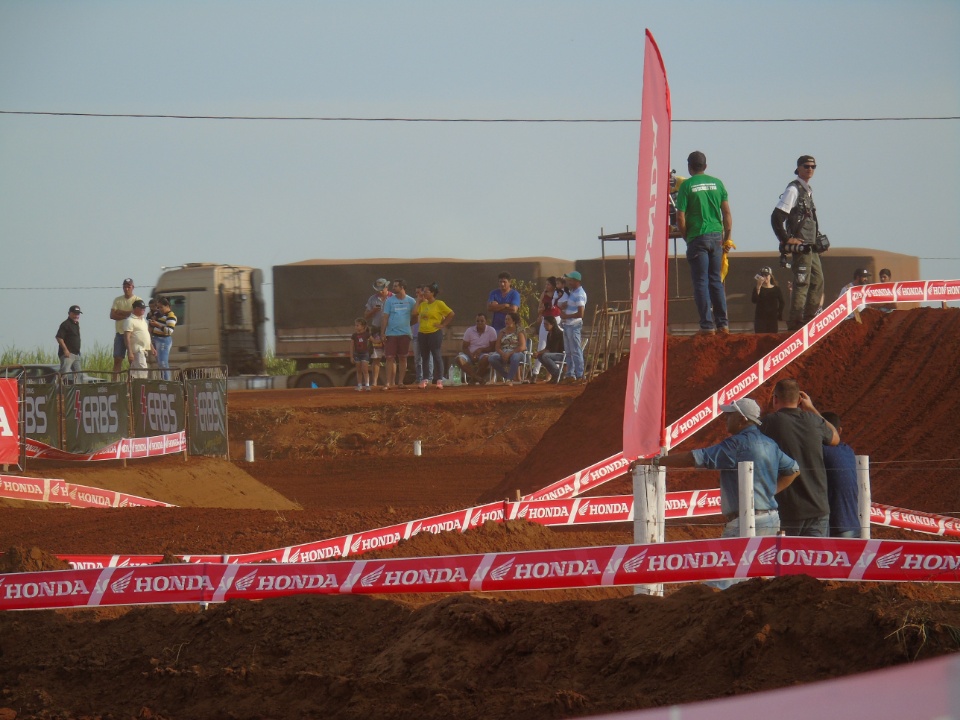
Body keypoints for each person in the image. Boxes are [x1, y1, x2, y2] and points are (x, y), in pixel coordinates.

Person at [637, 398, 799, 541]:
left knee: (727, 573)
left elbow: (693, 458)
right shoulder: (770, 443)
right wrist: (770, 491)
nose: (725, 418)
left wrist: (654, 461)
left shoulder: (735, 444)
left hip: (744, 521)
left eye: (730, 414)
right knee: (763, 571)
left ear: (742, 419)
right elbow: (794, 470)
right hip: (771, 517)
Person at [760, 378, 839, 537]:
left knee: (787, 560)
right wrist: (811, 408)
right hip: (818, 507)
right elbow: (835, 438)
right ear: (799, 400)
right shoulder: (814, 420)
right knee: (815, 560)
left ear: (775, 398)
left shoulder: (768, 422)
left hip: (788, 509)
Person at [674, 151, 733, 335]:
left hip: (697, 237)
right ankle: (723, 325)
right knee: (716, 280)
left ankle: (707, 326)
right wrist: (727, 237)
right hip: (717, 236)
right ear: (705, 166)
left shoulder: (686, 186)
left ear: (690, 167)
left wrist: (686, 236)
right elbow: (727, 214)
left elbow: (680, 216)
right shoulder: (718, 184)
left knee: (701, 281)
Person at [771, 155, 827, 332]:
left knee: (818, 281)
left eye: (813, 166)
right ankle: (795, 323)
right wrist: (786, 239)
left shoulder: (808, 190)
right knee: (802, 283)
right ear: (799, 168)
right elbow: (776, 217)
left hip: (811, 247)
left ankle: (810, 319)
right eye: (806, 166)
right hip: (801, 246)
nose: (810, 169)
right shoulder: (794, 190)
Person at [821, 411, 860, 538]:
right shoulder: (848, 450)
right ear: (840, 430)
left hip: (837, 525)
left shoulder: (824, 452)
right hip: (852, 523)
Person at [412, 282, 454, 389]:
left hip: (434, 332)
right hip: (422, 333)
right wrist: (418, 300)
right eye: (423, 291)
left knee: (436, 355)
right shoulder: (423, 304)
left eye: (426, 291)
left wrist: (443, 324)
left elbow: (451, 313)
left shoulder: (439, 303)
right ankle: (425, 379)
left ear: (432, 293)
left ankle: (439, 379)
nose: (424, 293)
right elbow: (415, 313)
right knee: (424, 356)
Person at [381, 279, 418, 390]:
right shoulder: (389, 301)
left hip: (405, 334)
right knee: (389, 358)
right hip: (391, 333)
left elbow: (416, 315)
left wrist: (408, 325)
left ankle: (400, 382)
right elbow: (385, 317)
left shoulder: (411, 301)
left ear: (402, 287)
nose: (393, 288)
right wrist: (382, 332)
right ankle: (388, 383)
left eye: (396, 286)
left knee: (403, 358)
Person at [558, 270, 587, 383]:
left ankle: (580, 375)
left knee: (575, 351)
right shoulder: (573, 292)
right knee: (569, 351)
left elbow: (581, 314)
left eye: (570, 280)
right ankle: (570, 375)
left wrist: (566, 315)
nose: (568, 282)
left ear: (576, 281)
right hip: (568, 324)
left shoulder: (579, 294)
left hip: (574, 324)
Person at [110, 278, 142, 376]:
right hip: (120, 333)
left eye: (128, 286)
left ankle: (132, 382)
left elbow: (138, 314)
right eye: (125, 286)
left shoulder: (137, 300)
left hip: (132, 334)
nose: (126, 289)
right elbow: (112, 315)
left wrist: (120, 312)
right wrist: (128, 315)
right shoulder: (117, 300)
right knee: (117, 359)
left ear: (133, 287)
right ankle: (115, 384)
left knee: (132, 359)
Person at [455, 313, 498, 384]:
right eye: (477, 321)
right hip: (470, 353)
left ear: (486, 322)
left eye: (482, 321)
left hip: (484, 353)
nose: (479, 323)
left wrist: (481, 349)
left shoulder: (491, 331)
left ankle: (473, 380)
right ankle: (476, 377)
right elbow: (464, 347)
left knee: (486, 358)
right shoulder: (469, 331)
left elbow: (493, 348)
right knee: (459, 359)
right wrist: (471, 355)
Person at [532, 276, 561, 379]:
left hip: (556, 319)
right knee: (542, 344)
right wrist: (542, 310)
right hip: (546, 319)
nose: (546, 286)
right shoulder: (544, 294)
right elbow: (539, 309)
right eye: (546, 284)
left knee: (556, 345)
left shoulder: (558, 294)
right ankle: (535, 373)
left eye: (548, 284)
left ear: (553, 286)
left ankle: (554, 373)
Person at [364, 278, 391, 387]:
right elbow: (365, 315)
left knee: (391, 357)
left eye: (381, 289)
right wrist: (373, 311)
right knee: (376, 357)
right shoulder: (372, 299)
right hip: (376, 330)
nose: (379, 291)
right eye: (377, 289)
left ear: (386, 287)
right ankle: (374, 382)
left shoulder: (393, 298)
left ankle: (391, 382)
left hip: (390, 329)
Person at [488, 311, 527, 384]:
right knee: (492, 358)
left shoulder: (519, 331)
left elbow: (523, 347)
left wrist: (510, 353)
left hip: (516, 352)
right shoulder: (502, 332)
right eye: (505, 319)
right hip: (503, 352)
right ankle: (507, 376)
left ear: (514, 321)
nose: (506, 321)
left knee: (515, 357)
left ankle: (509, 379)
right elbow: (497, 347)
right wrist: (503, 354)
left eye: (508, 319)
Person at [123, 299, 155, 378]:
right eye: (141, 308)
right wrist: (130, 352)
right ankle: (141, 387)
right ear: (135, 308)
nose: (143, 309)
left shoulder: (143, 320)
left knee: (134, 373)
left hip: (144, 350)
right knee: (142, 370)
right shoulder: (130, 321)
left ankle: (131, 388)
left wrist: (152, 347)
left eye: (144, 308)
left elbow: (146, 335)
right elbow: (127, 337)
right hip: (137, 350)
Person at [149, 296, 177, 381]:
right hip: (156, 339)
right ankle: (163, 380)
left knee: (163, 363)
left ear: (167, 306)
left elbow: (169, 331)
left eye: (161, 307)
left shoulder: (171, 316)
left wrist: (158, 325)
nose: (159, 309)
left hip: (163, 340)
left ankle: (167, 382)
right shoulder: (159, 315)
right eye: (158, 307)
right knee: (160, 364)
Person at [751, 266, 785, 333]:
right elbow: (754, 300)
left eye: (766, 275)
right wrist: (758, 287)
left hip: (772, 318)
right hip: (760, 318)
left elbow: (782, 302)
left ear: (770, 276)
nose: (764, 277)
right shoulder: (757, 288)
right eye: (763, 275)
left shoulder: (776, 289)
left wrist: (779, 313)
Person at [534, 314, 565, 383]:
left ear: (552, 325)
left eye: (546, 324)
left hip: (562, 355)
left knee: (545, 356)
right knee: (540, 356)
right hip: (554, 354)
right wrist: (538, 353)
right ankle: (554, 375)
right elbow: (547, 348)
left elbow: (553, 349)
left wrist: (539, 352)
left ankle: (558, 374)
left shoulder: (558, 334)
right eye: (544, 324)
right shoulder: (549, 334)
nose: (545, 326)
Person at [55, 305, 83, 381]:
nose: (76, 316)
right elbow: (59, 337)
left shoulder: (76, 324)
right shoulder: (65, 324)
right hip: (67, 354)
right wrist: (65, 350)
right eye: (74, 313)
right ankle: (56, 388)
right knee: (64, 373)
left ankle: (77, 391)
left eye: (78, 314)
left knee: (79, 375)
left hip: (76, 354)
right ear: (69, 313)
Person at [350, 318, 372, 391]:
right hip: (357, 354)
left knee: (365, 370)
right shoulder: (354, 335)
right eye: (355, 325)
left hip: (365, 354)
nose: (356, 327)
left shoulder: (367, 334)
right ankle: (359, 385)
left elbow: (374, 341)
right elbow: (351, 347)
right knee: (358, 370)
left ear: (363, 326)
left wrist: (382, 339)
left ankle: (367, 385)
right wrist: (351, 357)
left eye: (357, 325)